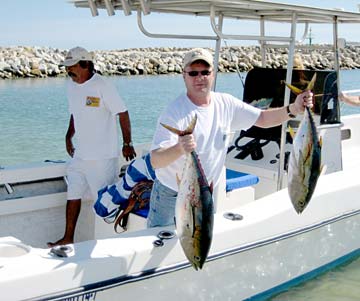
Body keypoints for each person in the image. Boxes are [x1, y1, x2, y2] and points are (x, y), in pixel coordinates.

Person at [147, 48, 313, 228]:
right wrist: (179, 148)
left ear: (213, 74)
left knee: (198, 244)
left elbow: (263, 119)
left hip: (205, 193)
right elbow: (156, 160)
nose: (200, 77)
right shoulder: (174, 113)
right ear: (184, 76)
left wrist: (294, 109)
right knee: (159, 246)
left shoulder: (225, 103)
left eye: (205, 72)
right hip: (172, 194)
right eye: (193, 73)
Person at [48, 46, 136, 247]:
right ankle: (68, 238)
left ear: (86, 64)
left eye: (72, 67)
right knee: (73, 194)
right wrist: (68, 136)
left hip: (102, 157)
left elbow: (122, 113)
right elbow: (75, 113)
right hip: (80, 155)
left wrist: (127, 143)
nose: (68, 71)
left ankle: (112, 244)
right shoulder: (71, 86)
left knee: (106, 202)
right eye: (67, 67)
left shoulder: (102, 85)